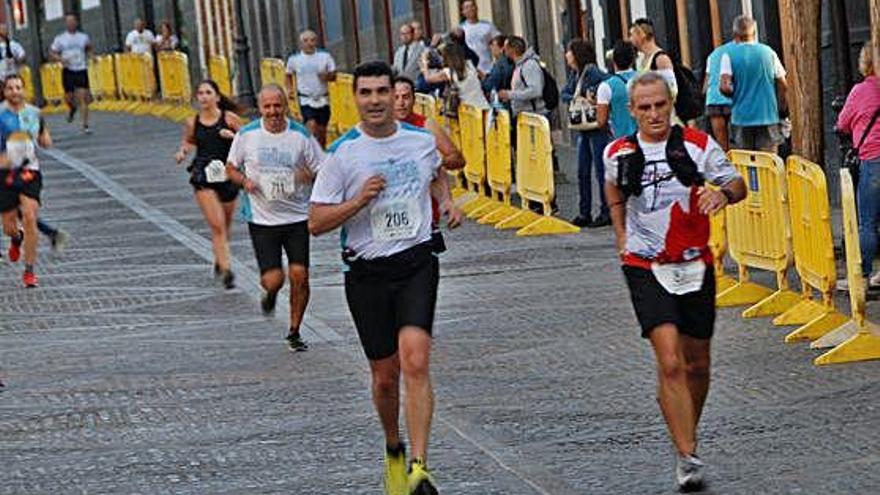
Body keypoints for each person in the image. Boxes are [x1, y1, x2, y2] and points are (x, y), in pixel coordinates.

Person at [309, 61, 452, 495]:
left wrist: (446, 203)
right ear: (355, 98)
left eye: (381, 92)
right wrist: (357, 201)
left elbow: (438, 170)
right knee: (386, 376)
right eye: (366, 93)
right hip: (367, 273)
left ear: (396, 96)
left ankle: (420, 467)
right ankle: (394, 446)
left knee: (416, 360)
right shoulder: (343, 154)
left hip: (416, 263)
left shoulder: (421, 140)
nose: (374, 101)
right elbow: (315, 222)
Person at [604, 72, 746, 491]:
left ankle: (683, 425)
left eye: (660, 106)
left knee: (697, 363)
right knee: (669, 361)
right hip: (644, 265)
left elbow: (736, 181)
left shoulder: (698, 145)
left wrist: (723, 194)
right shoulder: (618, 152)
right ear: (631, 111)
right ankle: (687, 454)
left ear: (671, 105)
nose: (653, 115)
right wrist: (619, 234)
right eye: (644, 108)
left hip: (694, 263)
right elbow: (613, 189)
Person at [226, 85, 323, 352]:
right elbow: (231, 167)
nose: (272, 112)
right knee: (274, 279)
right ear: (260, 108)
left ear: (285, 106)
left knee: (300, 275)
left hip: (296, 217)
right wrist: (244, 181)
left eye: (277, 106)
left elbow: (322, 169)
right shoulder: (247, 135)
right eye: (267, 106)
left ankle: (294, 330)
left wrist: (308, 176)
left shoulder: (300, 136)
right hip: (262, 219)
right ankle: (270, 293)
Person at [175, 80, 243, 289]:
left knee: (226, 223)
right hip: (204, 175)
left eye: (208, 93)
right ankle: (226, 269)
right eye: (200, 93)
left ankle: (219, 258)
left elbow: (247, 141)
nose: (203, 97)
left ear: (217, 97)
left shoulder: (229, 119)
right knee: (217, 225)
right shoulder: (192, 122)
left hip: (227, 174)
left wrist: (231, 136)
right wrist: (183, 152)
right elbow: (189, 140)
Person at [0, 74, 53, 288]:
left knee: (30, 216)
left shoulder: (34, 113)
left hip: (30, 172)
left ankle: (29, 270)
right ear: (4, 92)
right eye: (10, 88)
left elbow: (44, 137)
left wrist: (45, 139)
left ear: (23, 90)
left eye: (18, 88)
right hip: (5, 174)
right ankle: (15, 237)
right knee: (9, 226)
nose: (15, 92)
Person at [838, 43, 880, 287]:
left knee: (868, 221)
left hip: (873, 159)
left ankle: (862, 276)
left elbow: (843, 123)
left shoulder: (860, 91)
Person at [720, 15, 787, 153]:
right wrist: (782, 108)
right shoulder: (769, 53)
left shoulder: (728, 55)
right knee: (770, 162)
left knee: (746, 161)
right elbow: (783, 84)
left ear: (735, 35)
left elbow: (724, 86)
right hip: (768, 115)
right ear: (754, 33)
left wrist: (735, 93)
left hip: (741, 118)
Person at [562, 38, 611, 228]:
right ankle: (585, 212)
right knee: (583, 171)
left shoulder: (592, 72)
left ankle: (605, 210)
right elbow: (564, 93)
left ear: (577, 54)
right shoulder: (575, 75)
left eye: (569, 51)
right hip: (584, 128)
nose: (567, 55)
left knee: (600, 169)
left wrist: (592, 95)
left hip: (595, 128)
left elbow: (605, 83)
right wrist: (578, 96)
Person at [286, 30, 336, 147]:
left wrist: (327, 76)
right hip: (306, 99)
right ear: (300, 43)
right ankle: (312, 154)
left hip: (323, 99)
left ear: (316, 42)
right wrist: (289, 89)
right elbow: (288, 75)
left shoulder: (325, 57)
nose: (309, 43)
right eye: (305, 41)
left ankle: (321, 153)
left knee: (322, 132)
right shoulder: (294, 59)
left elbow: (334, 75)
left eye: (312, 40)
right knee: (311, 127)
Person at [50, 14, 92, 134]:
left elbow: (89, 48)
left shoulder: (83, 37)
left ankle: (85, 125)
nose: (71, 23)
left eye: (73, 21)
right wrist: (60, 59)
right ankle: (72, 108)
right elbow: (52, 53)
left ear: (76, 23)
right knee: (69, 98)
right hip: (68, 70)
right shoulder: (60, 38)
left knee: (83, 98)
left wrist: (90, 56)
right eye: (68, 22)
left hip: (81, 69)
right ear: (66, 24)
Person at [419, 42, 489, 109]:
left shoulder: (448, 72)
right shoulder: (469, 64)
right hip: (483, 105)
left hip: (469, 110)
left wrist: (424, 63)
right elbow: (483, 77)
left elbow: (428, 79)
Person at [596, 40, 638, 139]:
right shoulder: (645, 79)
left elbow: (601, 121)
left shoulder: (606, 86)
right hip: (644, 137)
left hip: (621, 140)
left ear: (613, 61)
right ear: (633, 60)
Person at [498, 36, 546, 119]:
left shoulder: (529, 65)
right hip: (524, 115)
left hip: (534, 115)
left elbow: (536, 91)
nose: (504, 52)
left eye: (506, 49)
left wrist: (509, 94)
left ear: (512, 49)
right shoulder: (519, 66)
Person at [703, 35, 736, 151]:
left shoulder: (712, 55)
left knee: (722, 142)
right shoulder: (737, 51)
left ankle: (726, 166)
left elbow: (705, 86)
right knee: (737, 142)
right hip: (731, 100)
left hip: (713, 101)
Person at [629, 18, 677, 94]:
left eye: (632, 35)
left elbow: (672, 90)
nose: (630, 39)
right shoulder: (640, 59)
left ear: (641, 35)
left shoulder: (661, 59)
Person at [459, 0, 499, 75]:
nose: (470, 9)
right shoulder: (461, 29)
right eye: (467, 7)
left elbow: (498, 44)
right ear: (463, 12)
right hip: (471, 72)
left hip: (488, 69)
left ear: (476, 8)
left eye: (472, 6)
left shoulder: (488, 26)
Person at [481, 35, 513, 101]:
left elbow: (490, 85)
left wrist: (483, 79)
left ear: (502, 48)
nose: (491, 48)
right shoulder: (509, 61)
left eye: (493, 45)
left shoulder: (500, 65)